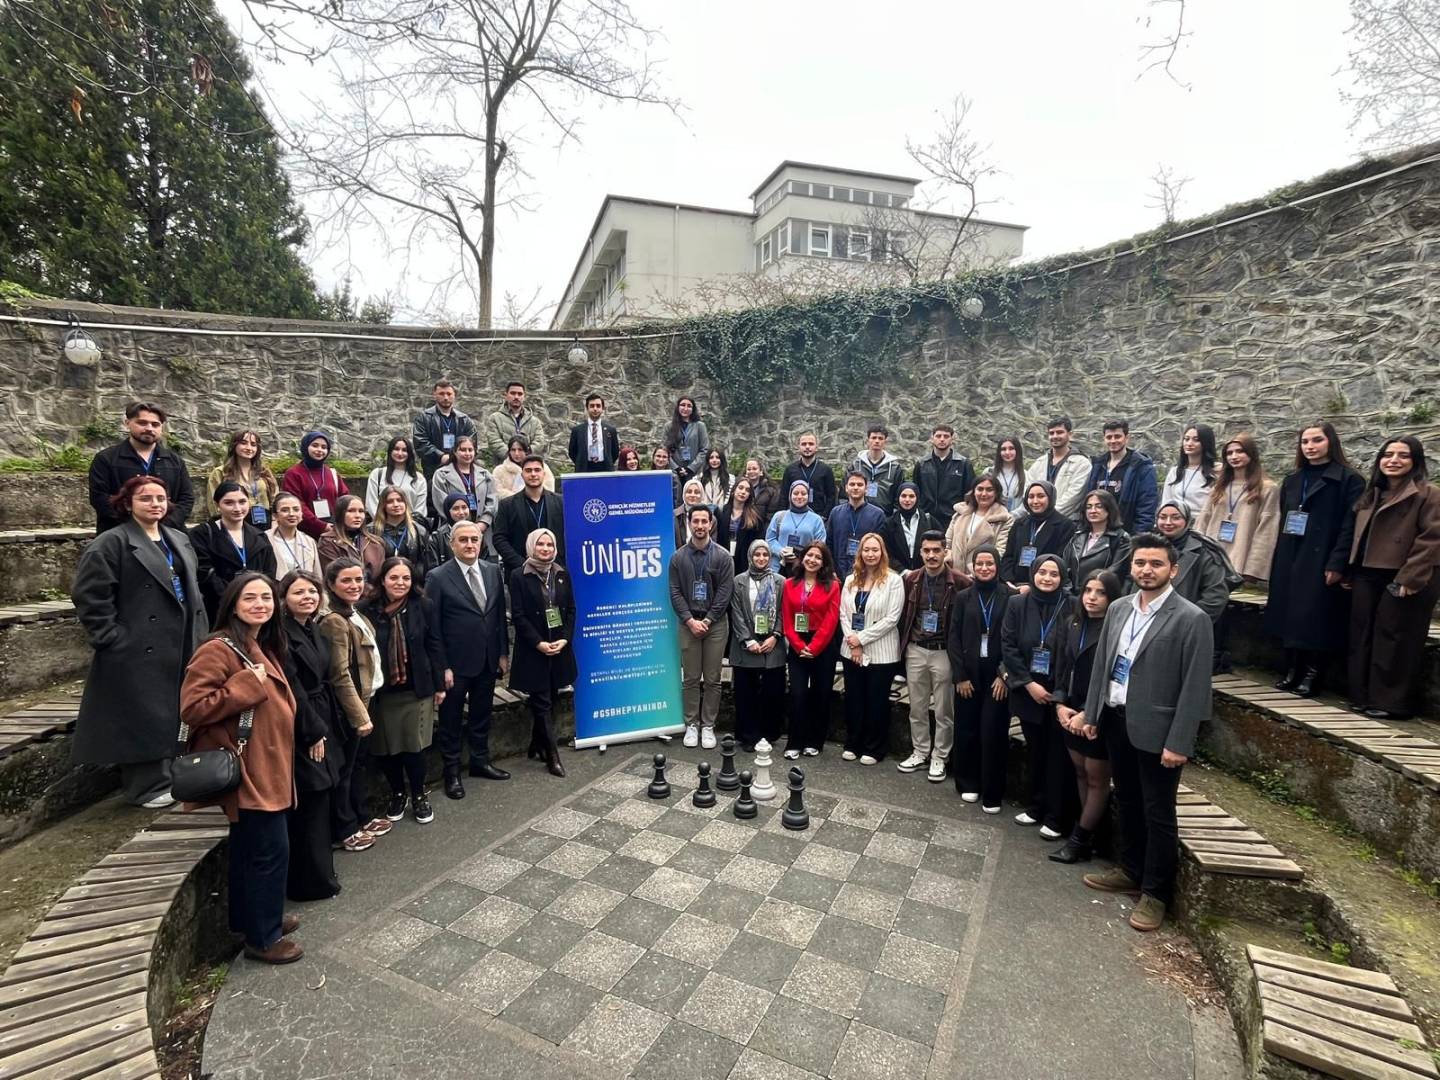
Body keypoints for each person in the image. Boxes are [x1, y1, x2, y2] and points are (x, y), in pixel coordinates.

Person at [1083, 534, 1213, 932]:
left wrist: (1179, 741)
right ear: (1131, 567)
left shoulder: (1191, 618)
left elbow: (1195, 686)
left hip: (1159, 730)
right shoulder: (1119, 608)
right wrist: (1093, 713)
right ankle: (1130, 869)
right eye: (1140, 563)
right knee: (1128, 800)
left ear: (1173, 569)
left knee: (1159, 812)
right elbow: (1104, 663)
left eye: (1156, 564)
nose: (1146, 570)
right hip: (1117, 718)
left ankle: (1155, 893)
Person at [179, 573, 302, 963]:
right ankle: (262, 940)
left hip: (269, 763)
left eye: (267, 597)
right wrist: (248, 684)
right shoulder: (217, 649)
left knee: (254, 849)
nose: (260, 604)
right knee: (268, 851)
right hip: (250, 767)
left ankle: (255, 920)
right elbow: (193, 708)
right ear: (233, 604)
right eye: (250, 598)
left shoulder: (255, 643)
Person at [71, 474, 207, 807]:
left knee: (175, 710)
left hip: (182, 636)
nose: (155, 504)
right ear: (128, 503)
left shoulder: (178, 538)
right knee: (143, 716)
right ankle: (146, 786)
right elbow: (90, 595)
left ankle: (174, 774)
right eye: (146, 498)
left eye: (160, 498)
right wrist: (111, 637)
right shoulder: (111, 543)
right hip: (137, 645)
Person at [1267, 421, 1366, 698]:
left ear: (1330, 442)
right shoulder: (1292, 479)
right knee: (1290, 613)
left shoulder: (1349, 480)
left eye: (1317, 440)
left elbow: (1350, 526)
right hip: (1291, 553)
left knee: (1315, 616)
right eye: (1305, 442)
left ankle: (1313, 673)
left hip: (1322, 555)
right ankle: (1292, 668)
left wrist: (1337, 563)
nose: (1310, 447)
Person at [1345, 436, 1440, 720]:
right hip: (1368, 572)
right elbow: (1358, 537)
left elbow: (1432, 539)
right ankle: (1361, 694)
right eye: (1388, 455)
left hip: (1405, 575)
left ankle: (1392, 703)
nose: (1394, 460)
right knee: (1362, 633)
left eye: (1403, 455)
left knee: (1396, 638)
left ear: (1415, 461)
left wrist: (1410, 578)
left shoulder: (1429, 494)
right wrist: (1350, 569)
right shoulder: (1372, 494)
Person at [424, 522, 510, 796]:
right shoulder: (437, 577)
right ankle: (451, 773)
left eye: (474, 539)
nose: (470, 544)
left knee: (481, 714)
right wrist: (442, 666)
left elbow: (498, 615)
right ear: (452, 544)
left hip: (487, 659)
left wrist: (502, 652)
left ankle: (480, 761)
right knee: (450, 721)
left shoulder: (492, 570)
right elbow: (433, 628)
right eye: (463, 540)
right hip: (455, 665)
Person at [277, 569, 342, 902]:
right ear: (285, 598)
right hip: (304, 722)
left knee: (322, 794)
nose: (307, 597)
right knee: (311, 796)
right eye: (299, 592)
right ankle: (310, 881)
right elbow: (293, 688)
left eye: (312, 592)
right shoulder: (282, 635)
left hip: (322, 711)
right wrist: (313, 731)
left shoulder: (312, 627)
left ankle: (321, 872)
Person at [364, 557, 444, 823]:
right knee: (387, 748)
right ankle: (398, 793)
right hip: (382, 693)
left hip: (416, 690)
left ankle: (419, 794)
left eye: (406, 578)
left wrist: (439, 684)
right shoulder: (366, 609)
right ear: (383, 580)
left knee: (414, 747)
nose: (400, 583)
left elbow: (434, 644)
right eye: (394, 577)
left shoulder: (423, 605)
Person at [1051, 569, 1123, 864]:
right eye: (1088, 590)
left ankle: (1080, 839)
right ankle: (1090, 833)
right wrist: (1060, 704)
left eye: (1101, 592)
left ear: (1112, 597)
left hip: (1098, 714)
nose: (1092, 597)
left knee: (1096, 777)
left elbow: (1113, 678)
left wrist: (1087, 713)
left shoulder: (1116, 629)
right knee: (1080, 771)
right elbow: (1062, 666)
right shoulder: (1073, 622)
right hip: (1071, 708)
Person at [1001, 553, 1074, 841]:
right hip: (1029, 691)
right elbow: (1008, 646)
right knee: (1036, 752)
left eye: (1054, 574)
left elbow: (1074, 653)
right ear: (1033, 574)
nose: (1047, 578)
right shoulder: (1017, 604)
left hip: (1060, 694)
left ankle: (1056, 817)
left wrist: (1059, 693)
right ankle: (1036, 806)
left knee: (1058, 757)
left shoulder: (1072, 605)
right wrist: (1028, 684)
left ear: (1062, 577)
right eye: (1042, 572)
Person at [318, 558, 389, 852]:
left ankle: (361, 816)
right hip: (352, 705)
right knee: (345, 770)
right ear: (331, 584)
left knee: (359, 764)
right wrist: (359, 715)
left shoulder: (352, 611)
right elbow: (340, 674)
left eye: (358, 579)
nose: (354, 585)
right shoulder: (334, 621)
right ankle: (345, 829)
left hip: (367, 698)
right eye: (346, 580)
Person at [896, 531, 969, 782]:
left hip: (943, 651)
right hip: (916, 649)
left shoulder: (959, 582)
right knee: (916, 707)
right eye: (926, 550)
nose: (931, 555)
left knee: (943, 709)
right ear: (920, 552)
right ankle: (920, 751)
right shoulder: (911, 579)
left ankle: (940, 756)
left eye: (936, 550)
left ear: (945, 551)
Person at [948, 545, 1013, 812]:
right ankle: (968, 782)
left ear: (997, 566)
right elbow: (954, 637)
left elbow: (1015, 640)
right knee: (966, 729)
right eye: (979, 564)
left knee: (993, 732)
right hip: (969, 675)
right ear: (972, 567)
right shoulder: (964, 596)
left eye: (989, 563)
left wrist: (1004, 675)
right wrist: (960, 676)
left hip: (997, 677)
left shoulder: (1010, 596)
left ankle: (992, 791)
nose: (984, 568)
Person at [508, 528, 575, 777]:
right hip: (534, 650)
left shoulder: (561, 573)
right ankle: (552, 755)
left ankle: (537, 744)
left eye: (550, 544)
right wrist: (538, 643)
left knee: (553, 698)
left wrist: (565, 639)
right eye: (540, 544)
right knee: (542, 701)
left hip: (558, 647)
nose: (545, 549)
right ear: (531, 547)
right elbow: (518, 615)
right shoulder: (519, 575)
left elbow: (571, 609)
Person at [669, 504, 734, 749]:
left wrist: (707, 620)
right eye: (695, 521)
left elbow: (725, 592)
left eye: (704, 521)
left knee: (713, 678)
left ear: (711, 523)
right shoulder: (678, 558)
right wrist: (690, 620)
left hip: (715, 624)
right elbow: (675, 592)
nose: (699, 526)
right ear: (689, 523)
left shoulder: (722, 556)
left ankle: (708, 725)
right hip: (688, 624)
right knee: (691, 678)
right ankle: (692, 724)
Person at [839, 532, 905, 765]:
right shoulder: (850, 579)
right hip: (851, 651)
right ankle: (853, 743)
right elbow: (843, 614)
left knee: (876, 701)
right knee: (854, 699)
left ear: (882, 552)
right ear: (860, 553)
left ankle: (874, 748)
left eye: (874, 550)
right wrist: (853, 641)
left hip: (881, 652)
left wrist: (861, 639)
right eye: (866, 550)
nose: (870, 554)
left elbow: (892, 618)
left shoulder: (894, 580)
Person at [88, 401, 194, 532]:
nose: (149, 428)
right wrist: (137, 526)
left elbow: (186, 499)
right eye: (142, 423)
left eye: (155, 424)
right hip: (119, 535)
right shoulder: (106, 459)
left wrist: (162, 526)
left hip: (169, 533)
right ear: (127, 423)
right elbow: (99, 498)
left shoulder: (175, 461)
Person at [781, 542, 841, 759]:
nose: (812, 560)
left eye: (818, 557)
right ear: (802, 557)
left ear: (824, 563)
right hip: (798, 643)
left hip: (823, 645)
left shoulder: (833, 585)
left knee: (820, 693)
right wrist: (799, 646)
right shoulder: (789, 584)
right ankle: (794, 742)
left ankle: (815, 741)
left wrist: (814, 647)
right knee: (797, 694)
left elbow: (831, 620)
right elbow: (787, 619)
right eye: (809, 555)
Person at [1195, 433, 1280, 583]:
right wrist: (1195, 554)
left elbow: (1266, 531)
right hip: (1212, 557)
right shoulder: (1218, 487)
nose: (1234, 456)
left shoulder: (1267, 488)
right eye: (1229, 453)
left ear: (1251, 454)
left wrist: (1253, 568)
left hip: (1241, 558)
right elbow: (1203, 521)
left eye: (1240, 451)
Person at [191, 482, 278, 623]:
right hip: (219, 609)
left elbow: (269, 571)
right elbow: (204, 572)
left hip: (255, 608)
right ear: (217, 505)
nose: (237, 508)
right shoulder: (202, 534)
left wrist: (255, 597)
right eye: (229, 503)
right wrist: (234, 598)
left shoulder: (260, 536)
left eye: (242, 502)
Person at [729, 540, 787, 751]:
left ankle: (768, 734)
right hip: (746, 645)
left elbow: (783, 611)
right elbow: (735, 611)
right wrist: (748, 639)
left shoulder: (780, 581)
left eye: (765, 555)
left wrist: (776, 636)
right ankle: (748, 736)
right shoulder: (739, 581)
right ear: (750, 556)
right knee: (746, 694)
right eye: (757, 554)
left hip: (772, 645)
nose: (761, 558)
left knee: (772, 693)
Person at [1153, 501, 1239, 627]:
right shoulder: (1146, 546)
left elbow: (1215, 595)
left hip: (1184, 624)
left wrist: (1190, 622)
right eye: (1163, 517)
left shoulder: (1205, 551)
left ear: (1187, 520)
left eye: (1176, 518)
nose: (1168, 522)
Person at [493, 456, 566, 576]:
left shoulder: (561, 502)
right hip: (520, 572)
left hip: (555, 570)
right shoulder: (507, 505)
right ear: (522, 475)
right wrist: (521, 564)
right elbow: (499, 538)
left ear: (544, 474)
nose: (533, 474)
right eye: (528, 470)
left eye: (537, 470)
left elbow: (568, 535)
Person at [1000, 480, 1077, 588]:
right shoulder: (1019, 523)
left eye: (1040, 496)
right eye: (1031, 497)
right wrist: (1009, 581)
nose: (1035, 501)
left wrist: (1032, 586)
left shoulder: (1065, 525)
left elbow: (1060, 561)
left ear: (1050, 498)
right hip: (1013, 585)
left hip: (1044, 585)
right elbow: (1008, 556)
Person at [1087, 420, 1159, 534]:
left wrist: (1138, 536)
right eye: (1109, 437)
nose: (1113, 441)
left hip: (1127, 532)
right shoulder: (1098, 465)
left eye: (1117, 436)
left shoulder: (1141, 466)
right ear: (1104, 439)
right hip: (1099, 532)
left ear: (1126, 438)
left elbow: (1147, 506)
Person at [280, 431, 349, 539]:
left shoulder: (332, 473)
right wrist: (321, 526)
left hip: (333, 530)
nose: (319, 450)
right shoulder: (293, 474)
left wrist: (341, 523)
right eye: (315, 445)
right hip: (304, 532)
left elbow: (345, 499)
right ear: (306, 447)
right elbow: (296, 503)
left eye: (324, 447)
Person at [206, 431, 279, 527]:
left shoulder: (264, 471)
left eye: (253, 445)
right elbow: (214, 504)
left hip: (264, 523)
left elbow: (275, 497)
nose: (249, 448)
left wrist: (275, 521)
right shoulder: (220, 472)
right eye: (244, 443)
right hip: (234, 525)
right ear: (234, 445)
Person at [1062, 490, 1130, 593]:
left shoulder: (1121, 538)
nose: (1093, 511)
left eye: (1099, 506)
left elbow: (1116, 571)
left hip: (1101, 594)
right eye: (1088, 507)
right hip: (1072, 595)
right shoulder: (1077, 536)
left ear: (1109, 509)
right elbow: (1065, 566)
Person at [944, 472, 1013, 574]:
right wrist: (948, 556)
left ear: (996, 493)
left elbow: (1000, 551)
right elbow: (947, 542)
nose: (984, 494)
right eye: (980, 489)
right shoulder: (960, 513)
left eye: (989, 490)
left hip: (983, 574)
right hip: (955, 575)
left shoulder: (1004, 519)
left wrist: (978, 569)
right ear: (973, 491)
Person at [429, 434, 497, 534]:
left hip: (482, 530)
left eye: (470, 450)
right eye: (463, 450)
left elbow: (492, 501)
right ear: (454, 452)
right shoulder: (441, 475)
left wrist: (483, 523)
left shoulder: (485, 474)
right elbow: (441, 503)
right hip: (453, 529)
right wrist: (462, 525)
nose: (467, 453)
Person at [412, 378, 477, 482]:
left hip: (460, 469)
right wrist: (441, 456)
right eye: (441, 394)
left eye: (449, 394)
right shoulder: (424, 418)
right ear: (434, 395)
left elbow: (472, 443)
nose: (446, 397)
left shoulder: (464, 420)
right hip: (433, 470)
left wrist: (456, 457)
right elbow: (421, 443)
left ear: (454, 395)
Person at [827, 471, 888, 581]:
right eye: (852, 484)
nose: (856, 487)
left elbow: (882, 548)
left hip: (868, 574)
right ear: (846, 488)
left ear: (866, 489)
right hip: (838, 574)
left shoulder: (878, 515)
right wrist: (831, 571)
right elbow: (829, 544)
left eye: (860, 485)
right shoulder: (835, 513)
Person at [1026, 417, 1089, 521]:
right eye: (1051, 433)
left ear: (1070, 434)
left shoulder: (1082, 464)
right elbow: (1028, 492)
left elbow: (1074, 497)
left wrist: (1048, 516)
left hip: (1067, 522)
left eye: (1059, 432)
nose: (1055, 436)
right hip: (1037, 520)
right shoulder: (1039, 463)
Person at [317, 494, 385, 589]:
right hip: (346, 593)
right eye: (351, 511)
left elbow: (381, 577)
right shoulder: (328, 541)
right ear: (340, 514)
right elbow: (335, 576)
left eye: (361, 511)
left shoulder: (375, 543)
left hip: (374, 594)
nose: (357, 516)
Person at [914, 424, 974, 529]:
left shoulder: (964, 464)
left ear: (952, 439)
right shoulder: (922, 464)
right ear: (932, 439)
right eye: (938, 436)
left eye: (946, 436)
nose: (942, 439)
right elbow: (916, 491)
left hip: (954, 518)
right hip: (927, 518)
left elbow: (969, 492)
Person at [371, 485, 432, 582]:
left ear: (406, 503)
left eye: (399, 500)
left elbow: (426, 563)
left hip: (412, 583)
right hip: (380, 583)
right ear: (383, 505)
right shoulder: (371, 531)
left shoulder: (420, 531)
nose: (396, 504)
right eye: (390, 501)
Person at [765, 479, 827, 572]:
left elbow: (820, 545)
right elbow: (770, 539)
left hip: (804, 569)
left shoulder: (816, 520)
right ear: (790, 495)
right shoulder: (779, 516)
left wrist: (803, 556)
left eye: (803, 493)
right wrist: (780, 551)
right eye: (796, 493)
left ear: (808, 496)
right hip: (778, 567)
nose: (799, 496)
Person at [365, 436, 429, 519]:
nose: (400, 453)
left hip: (411, 524)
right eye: (396, 449)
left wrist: (410, 524)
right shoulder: (377, 474)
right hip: (382, 524)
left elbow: (420, 508)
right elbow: (371, 503)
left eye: (404, 450)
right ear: (390, 451)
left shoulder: (418, 478)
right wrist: (382, 522)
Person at [1160, 424, 1217, 516]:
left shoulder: (1215, 472)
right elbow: (1166, 502)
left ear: (1206, 443)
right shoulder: (1175, 472)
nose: (1189, 444)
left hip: (1202, 521)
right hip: (1176, 521)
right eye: (1186, 439)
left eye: (1196, 440)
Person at [781, 433, 838, 519]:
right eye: (804, 444)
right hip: (794, 516)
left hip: (818, 516)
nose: (807, 447)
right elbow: (784, 496)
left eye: (811, 444)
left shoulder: (826, 470)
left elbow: (831, 496)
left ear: (816, 447)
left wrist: (824, 516)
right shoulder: (790, 470)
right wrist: (784, 516)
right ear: (798, 447)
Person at [883, 481, 938, 571]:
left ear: (917, 498)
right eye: (903, 496)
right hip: (898, 574)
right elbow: (886, 552)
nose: (907, 500)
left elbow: (940, 547)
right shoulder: (889, 524)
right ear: (898, 497)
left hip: (926, 573)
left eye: (911, 496)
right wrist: (903, 571)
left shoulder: (929, 521)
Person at [483, 380, 542, 465]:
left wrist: (525, 455)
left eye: (520, 394)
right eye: (513, 393)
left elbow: (539, 441)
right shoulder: (495, 418)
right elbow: (494, 441)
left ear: (524, 397)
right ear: (506, 395)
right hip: (504, 466)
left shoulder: (534, 422)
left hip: (528, 467)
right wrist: (511, 456)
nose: (516, 397)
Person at [852, 423, 904, 514]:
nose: (877, 441)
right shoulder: (856, 465)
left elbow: (898, 496)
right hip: (858, 514)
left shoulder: (894, 468)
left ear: (885, 442)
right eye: (874, 438)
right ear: (868, 440)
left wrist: (894, 517)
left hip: (885, 516)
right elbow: (845, 494)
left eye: (880, 438)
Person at [268, 492, 321, 579]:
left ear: (301, 513)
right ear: (275, 516)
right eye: (285, 510)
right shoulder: (265, 539)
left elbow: (317, 575)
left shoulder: (309, 541)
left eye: (296, 509)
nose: (291, 514)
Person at [723, 478, 769, 574]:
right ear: (733, 490)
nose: (743, 492)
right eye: (740, 488)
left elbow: (758, 542)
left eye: (747, 490)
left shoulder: (755, 517)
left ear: (749, 495)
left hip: (744, 563)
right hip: (723, 560)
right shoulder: (722, 511)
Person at [568, 393, 621, 473]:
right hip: (584, 469)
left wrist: (608, 462)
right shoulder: (577, 430)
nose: (595, 409)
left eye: (598, 406)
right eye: (592, 406)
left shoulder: (610, 430)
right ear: (587, 408)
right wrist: (580, 463)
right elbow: (572, 452)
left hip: (605, 469)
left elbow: (615, 452)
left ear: (602, 409)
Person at [663, 396, 710, 482]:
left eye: (689, 406)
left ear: (693, 409)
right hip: (674, 472)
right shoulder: (668, 426)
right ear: (678, 407)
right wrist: (676, 468)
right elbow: (665, 451)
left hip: (695, 472)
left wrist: (691, 468)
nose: (685, 408)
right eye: (683, 405)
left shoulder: (700, 426)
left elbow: (704, 450)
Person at [428, 493, 471, 570]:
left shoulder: (476, 533)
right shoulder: (437, 538)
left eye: (464, 507)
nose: (461, 512)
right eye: (456, 508)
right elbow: (433, 569)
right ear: (448, 511)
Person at [742, 458, 783, 522]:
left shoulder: (770, 491)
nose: (751, 471)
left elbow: (771, 514)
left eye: (754, 469)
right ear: (746, 473)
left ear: (761, 472)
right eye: (749, 469)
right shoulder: (739, 489)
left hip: (762, 525)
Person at [673, 478, 710, 549]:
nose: (692, 495)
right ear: (684, 494)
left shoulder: (710, 516)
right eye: (689, 492)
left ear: (702, 495)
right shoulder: (674, 516)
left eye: (696, 492)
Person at [992, 437, 1027, 512]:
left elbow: (1027, 502)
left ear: (1017, 450)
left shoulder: (1026, 475)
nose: (1007, 452)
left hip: (1017, 517)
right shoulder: (989, 472)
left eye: (1011, 448)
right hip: (992, 516)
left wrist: (1012, 516)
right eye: (1003, 449)